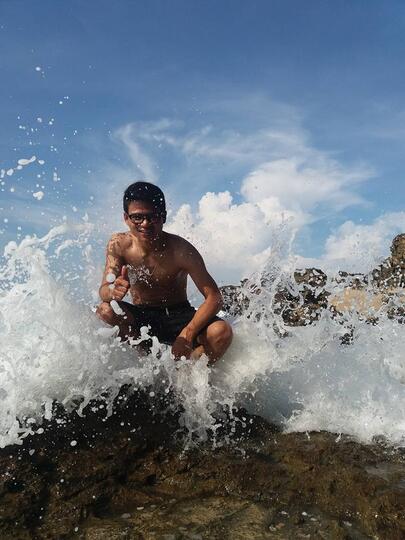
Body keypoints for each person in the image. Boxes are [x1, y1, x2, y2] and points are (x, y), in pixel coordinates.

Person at [96, 181, 233, 363]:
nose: (145, 224)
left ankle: (186, 372)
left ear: (164, 217)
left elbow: (214, 297)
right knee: (105, 310)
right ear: (126, 218)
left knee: (221, 332)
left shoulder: (181, 250)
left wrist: (187, 334)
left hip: (179, 315)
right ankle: (147, 362)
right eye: (137, 217)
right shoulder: (118, 244)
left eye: (153, 216)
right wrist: (112, 291)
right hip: (142, 315)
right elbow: (104, 290)